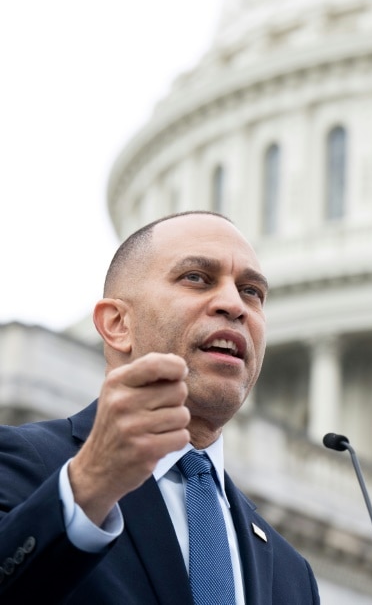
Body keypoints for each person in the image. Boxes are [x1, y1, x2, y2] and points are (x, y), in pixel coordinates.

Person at [0, 211, 320, 604]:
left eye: (251, 291)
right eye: (196, 278)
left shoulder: (293, 575)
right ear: (118, 323)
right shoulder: (22, 464)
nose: (234, 305)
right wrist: (91, 484)